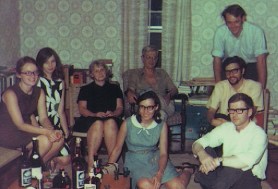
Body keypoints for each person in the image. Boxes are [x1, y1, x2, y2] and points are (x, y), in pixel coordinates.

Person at [108, 91, 191, 189]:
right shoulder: (128, 123)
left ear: (156, 107)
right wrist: (107, 171)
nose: (145, 111)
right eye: (142, 107)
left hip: (154, 158)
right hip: (135, 160)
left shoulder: (162, 125)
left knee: (178, 186)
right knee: (147, 186)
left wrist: (160, 174)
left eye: (150, 107)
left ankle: (188, 170)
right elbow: (117, 149)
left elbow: (163, 153)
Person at [193, 93, 268, 189]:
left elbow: (246, 161)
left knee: (234, 166)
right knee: (206, 150)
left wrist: (218, 161)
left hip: (248, 179)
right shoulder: (226, 127)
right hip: (225, 175)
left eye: (239, 110)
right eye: (232, 110)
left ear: (249, 112)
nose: (234, 114)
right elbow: (197, 143)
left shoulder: (259, 134)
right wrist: (203, 155)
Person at [0, 56, 64, 164]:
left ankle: (34, 167)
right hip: (9, 134)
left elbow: (43, 118)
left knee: (59, 140)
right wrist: (46, 132)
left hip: (26, 131)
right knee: (44, 141)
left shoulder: (39, 92)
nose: (33, 76)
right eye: (28, 73)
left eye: (35, 72)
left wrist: (51, 131)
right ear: (19, 74)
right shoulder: (10, 93)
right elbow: (19, 124)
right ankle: (30, 168)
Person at [73, 60, 124, 170]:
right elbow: (82, 109)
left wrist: (113, 113)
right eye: (96, 71)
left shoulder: (115, 88)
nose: (100, 73)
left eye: (102, 70)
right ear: (91, 74)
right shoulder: (85, 89)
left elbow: (120, 108)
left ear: (106, 72)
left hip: (111, 118)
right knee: (98, 123)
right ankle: (91, 164)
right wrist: (95, 114)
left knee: (110, 122)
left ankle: (111, 164)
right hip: (90, 119)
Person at [212, 4, 268, 88]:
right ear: (225, 21)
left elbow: (261, 61)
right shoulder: (220, 32)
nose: (233, 26)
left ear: (243, 19)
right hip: (229, 66)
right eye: (229, 22)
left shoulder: (256, 31)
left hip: (250, 68)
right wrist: (219, 87)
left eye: (236, 22)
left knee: (251, 95)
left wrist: (261, 88)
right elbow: (216, 60)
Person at [36, 47, 71, 169]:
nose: (50, 65)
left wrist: (66, 133)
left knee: (66, 159)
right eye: (46, 62)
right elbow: (39, 114)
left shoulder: (60, 82)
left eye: (53, 61)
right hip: (40, 125)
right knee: (54, 149)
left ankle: (45, 161)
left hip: (56, 125)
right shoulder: (37, 81)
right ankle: (39, 165)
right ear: (40, 64)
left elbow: (60, 111)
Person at [207, 56, 263, 127]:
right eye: (228, 72)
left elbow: (252, 112)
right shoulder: (220, 86)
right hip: (222, 124)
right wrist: (212, 121)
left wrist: (233, 126)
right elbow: (211, 111)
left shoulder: (255, 86)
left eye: (235, 71)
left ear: (242, 71)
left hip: (244, 127)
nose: (231, 75)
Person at [125, 45, 178, 119]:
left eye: (154, 58)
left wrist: (169, 95)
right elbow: (131, 89)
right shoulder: (135, 74)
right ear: (142, 58)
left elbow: (174, 89)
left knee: (159, 101)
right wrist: (129, 92)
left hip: (165, 105)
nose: (152, 60)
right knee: (161, 115)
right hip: (145, 107)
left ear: (157, 59)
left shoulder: (162, 73)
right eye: (148, 57)